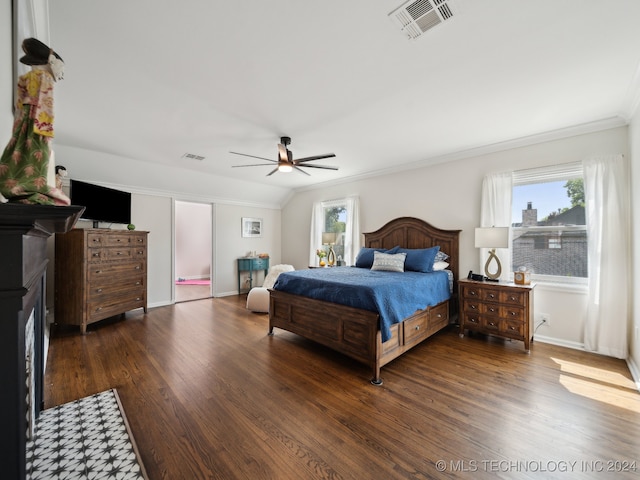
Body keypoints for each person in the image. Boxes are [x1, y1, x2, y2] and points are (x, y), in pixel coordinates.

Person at [0, 37, 70, 205]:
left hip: (24, 124)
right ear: (52, 62)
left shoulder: (26, 79)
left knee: (19, 151)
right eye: (62, 69)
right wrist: (46, 131)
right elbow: (46, 106)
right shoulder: (44, 78)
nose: (61, 75)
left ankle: (16, 185)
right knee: (38, 157)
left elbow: (19, 108)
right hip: (39, 125)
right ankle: (30, 187)